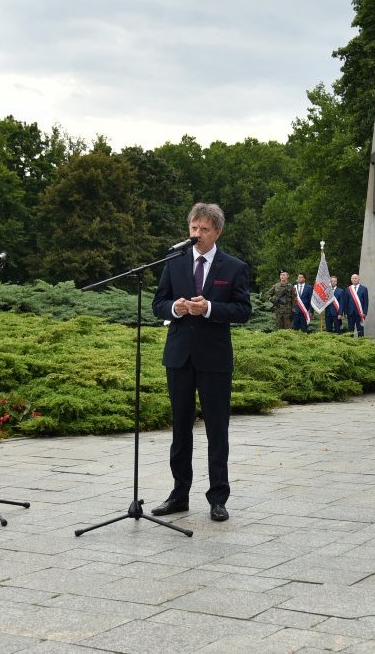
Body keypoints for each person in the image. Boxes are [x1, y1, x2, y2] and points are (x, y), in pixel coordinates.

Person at [152, 202, 251, 522]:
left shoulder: (234, 267)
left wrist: (209, 308)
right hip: (179, 356)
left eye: (204, 229)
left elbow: (242, 310)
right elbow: (158, 303)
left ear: (217, 232)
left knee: (216, 430)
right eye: (193, 228)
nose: (197, 234)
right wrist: (174, 309)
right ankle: (179, 494)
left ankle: (218, 498)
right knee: (180, 429)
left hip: (214, 358)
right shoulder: (174, 261)